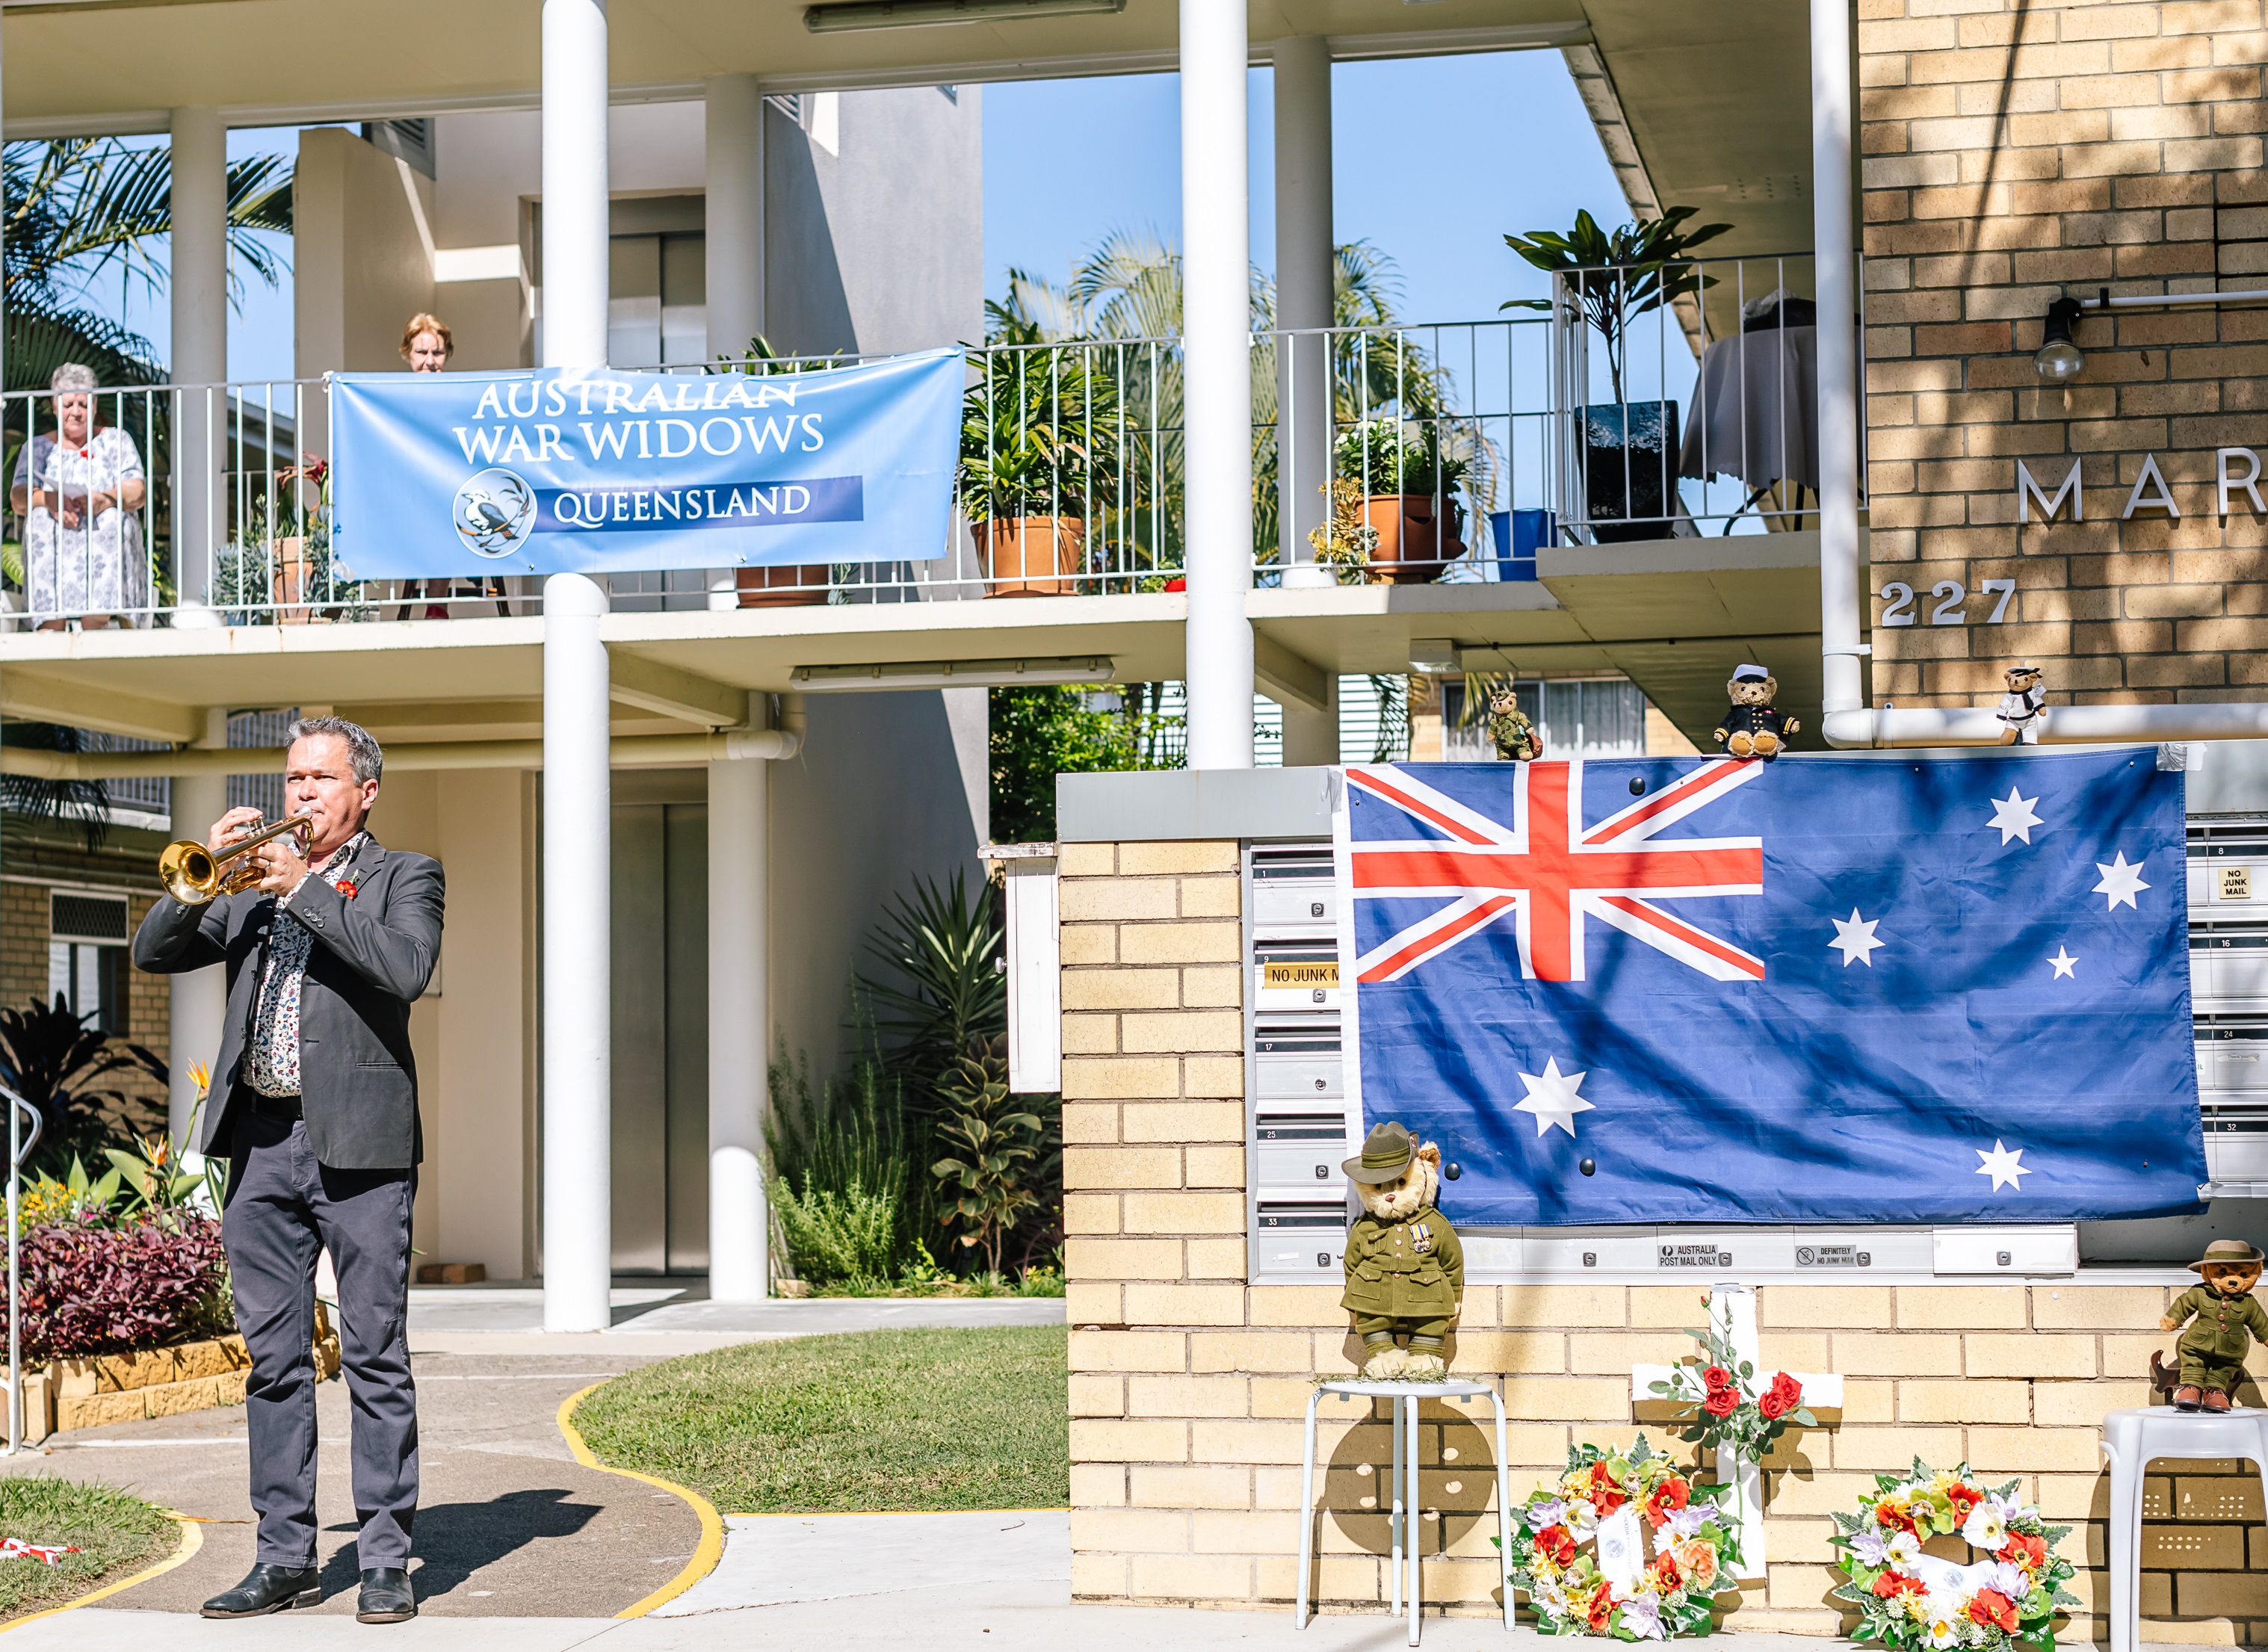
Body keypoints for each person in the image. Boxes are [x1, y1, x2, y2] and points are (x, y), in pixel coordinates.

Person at [133, 717, 442, 1626]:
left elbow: (406, 967)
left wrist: (305, 888)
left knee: (375, 1354)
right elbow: (155, 953)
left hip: (361, 1150)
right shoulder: (250, 888)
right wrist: (207, 881)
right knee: (272, 1363)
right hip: (262, 1143)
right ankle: (283, 1557)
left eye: (319, 778)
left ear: (365, 792)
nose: (300, 794)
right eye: (293, 778)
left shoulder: (402, 876)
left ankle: (386, 1557)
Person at [9, 362, 148, 627]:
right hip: (57, 531)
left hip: (101, 530)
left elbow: (137, 491)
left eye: (83, 405)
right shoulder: (37, 447)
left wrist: (105, 499)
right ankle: (50, 625)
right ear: (54, 404)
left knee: (112, 520)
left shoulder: (116, 441)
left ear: (95, 407)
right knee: (40, 521)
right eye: (69, 404)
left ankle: (97, 621)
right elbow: (18, 497)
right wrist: (49, 501)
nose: (76, 412)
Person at [392, 315, 507, 619]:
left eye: (438, 353)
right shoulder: (390, 400)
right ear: (407, 354)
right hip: (409, 493)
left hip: (454, 490)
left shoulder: (460, 396)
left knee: (451, 506)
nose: (430, 361)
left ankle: (437, 605)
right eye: (421, 353)